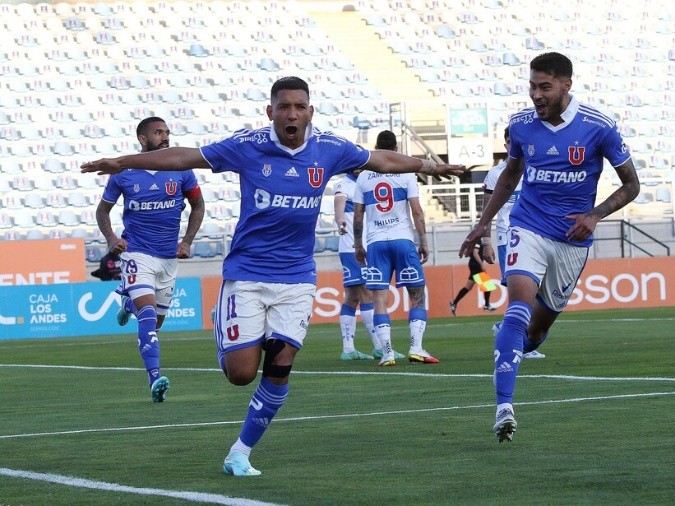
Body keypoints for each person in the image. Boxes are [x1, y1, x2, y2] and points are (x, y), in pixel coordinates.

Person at [81, 77, 464, 476]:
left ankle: (240, 452)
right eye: (284, 107)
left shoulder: (329, 148)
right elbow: (184, 157)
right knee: (241, 374)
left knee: (281, 363)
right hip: (247, 273)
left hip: (297, 277)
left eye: (299, 107)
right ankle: (225, 325)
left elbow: (380, 160)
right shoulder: (248, 145)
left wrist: (430, 166)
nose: (292, 114)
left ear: (310, 112)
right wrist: (123, 162)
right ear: (271, 112)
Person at [459, 53, 640, 443]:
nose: (536, 95)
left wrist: (595, 214)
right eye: (532, 86)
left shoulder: (599, 127)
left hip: (572, 240)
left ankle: (512, 351)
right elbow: (510, 177)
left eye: (545, 86)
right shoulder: (521, 125)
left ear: (565, 85)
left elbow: (631, 185)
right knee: (517, 308)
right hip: (528, 226)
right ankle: (504, 407)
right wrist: (482, 224)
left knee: (537, 331)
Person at [94, 116, 205, 403]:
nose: (165, 136)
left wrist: (187, 240)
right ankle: (155, 379)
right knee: (147, 314)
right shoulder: (123, 173)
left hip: (168, 258)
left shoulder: (182, 170)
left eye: (167, 132)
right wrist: (111, 239)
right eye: (158, 132)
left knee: (156, 322)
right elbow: (102, 211)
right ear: (143, 139)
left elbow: (198, 205)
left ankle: (128, 303)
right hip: (137, 253)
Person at [353, 130, 439, 367]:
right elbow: (417, 211)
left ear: (376, 148)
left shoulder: (363, 177)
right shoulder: (406, 172)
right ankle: (416, 347)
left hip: (376, 243)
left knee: (379, 298)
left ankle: (388, 352)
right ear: (396, 149)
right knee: (417, 294)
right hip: (403, 240)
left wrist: (358, 245)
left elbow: (358, 216)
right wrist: (423, 241)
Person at [482, 129, 545, 359]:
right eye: (509, 141)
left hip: (534, 236)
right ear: (505, 144)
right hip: (507, 238)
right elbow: (487, 210)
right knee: (519, 291)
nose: (512, 145)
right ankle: (518, 342)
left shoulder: (536, 169)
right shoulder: (496, 174)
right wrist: (486, 241)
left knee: (536, 292)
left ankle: (507, 330)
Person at [333, 168, 394, 362]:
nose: (360, 167)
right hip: (351, 248)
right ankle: (379, 347)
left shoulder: (368, 182)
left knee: (351, 298)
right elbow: (339, 205)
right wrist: (340, 220)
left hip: (365, 246)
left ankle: (348, 349)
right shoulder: (344, 184)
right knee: (368, 295)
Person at [449, 239, 495, 315]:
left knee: (468, 287)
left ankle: (454, 303)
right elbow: (475, 252)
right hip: (476, 265)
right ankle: (487, 305)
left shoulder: (476, 240)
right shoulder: (478, 240)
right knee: (487, 286)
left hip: (473, 264)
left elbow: (468, 252)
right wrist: (481, 264)